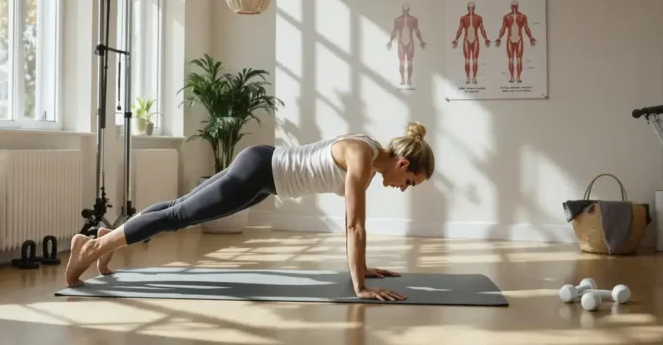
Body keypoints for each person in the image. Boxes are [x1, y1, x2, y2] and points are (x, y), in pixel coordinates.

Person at [65, 122, 436, 302]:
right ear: (403, 164)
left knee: (179, 209)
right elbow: (354, 226)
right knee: (180, 216)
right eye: (410, 182)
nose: (404, 189)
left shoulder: (369, 159)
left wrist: (363, 267)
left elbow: (354, 225)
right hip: (259, 171)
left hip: (264, 176)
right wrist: (360, 287)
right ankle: (90, 249)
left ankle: (107, 239)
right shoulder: (361, 157)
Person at [494, 0, 536, 83]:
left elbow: (526, 28)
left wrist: (530, 37)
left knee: (519, 59)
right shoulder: (506, 17)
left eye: (515, 6)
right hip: (510, 39)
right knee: (511, 59)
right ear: (511, 7)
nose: (514, 8)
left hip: (519, 39)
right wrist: (499, 38)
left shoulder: (522, 16)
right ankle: (512, 77)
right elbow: (503, 28)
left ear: (517, 6)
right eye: (513, 6)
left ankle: (518, 77)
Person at [386, 3, 427, 87]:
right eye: (404, 10)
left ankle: (408, 80)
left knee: (409, 62)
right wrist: (390, 41)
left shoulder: (413, 19)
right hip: (401, 42)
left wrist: (421, 41)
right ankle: (402, 80)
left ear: (407, 10)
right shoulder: (398, 20)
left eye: (406, 10)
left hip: (409, 42)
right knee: (402, 62)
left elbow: (416, 31)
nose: (405, 11)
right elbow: (394, 31)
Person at [451, 2, 491, 85]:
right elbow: (460, 29)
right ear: (467, 8)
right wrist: (456, 39)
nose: (471, 10)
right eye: (470, 8)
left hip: (475, 39)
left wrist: (486, 38)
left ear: (474, 8)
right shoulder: (463, 18)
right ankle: (468, 78)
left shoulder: (478, 18)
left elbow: (482, 29)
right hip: (466, 39)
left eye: (472, 8)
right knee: (467, 60)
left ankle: (474, 78)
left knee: (475, 60)